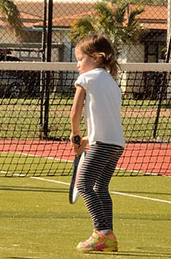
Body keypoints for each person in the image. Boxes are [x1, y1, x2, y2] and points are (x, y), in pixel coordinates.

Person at [69, 35, 126, 253]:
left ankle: (102, 232)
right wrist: (86, 140)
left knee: (83, 185)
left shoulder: (87, 78)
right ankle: (108, 237)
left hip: (102, 144)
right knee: (100, 188)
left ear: (95, 58)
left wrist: (75, 135)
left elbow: (75, 111)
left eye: (80, 58)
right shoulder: (111, 83)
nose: (77, 64)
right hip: (116, 144)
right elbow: (105, 117)